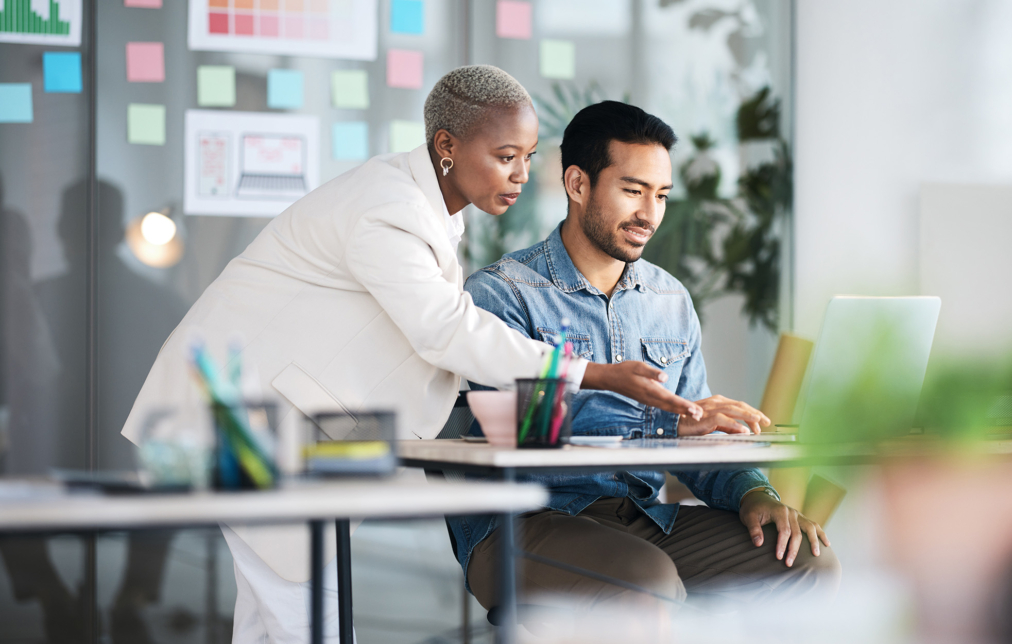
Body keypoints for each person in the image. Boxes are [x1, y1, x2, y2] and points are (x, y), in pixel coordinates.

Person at [121, 67, 703, 642]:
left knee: (272, 622)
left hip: (265, 423)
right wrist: (598, 374)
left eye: (527, 156)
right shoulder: (388, 208)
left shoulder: (424, 211)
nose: (522, 174)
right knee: (310, 623)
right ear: (447, 146)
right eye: (505, 156)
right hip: (236, 423)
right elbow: (444, 330)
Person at [451, 101, 841, 619]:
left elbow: (697, 432)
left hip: (644, 518)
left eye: (660, 195)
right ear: (577, 184)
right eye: (633, 191)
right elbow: (526, 436)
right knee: (646, 581)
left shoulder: (669, 300)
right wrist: (667, 426)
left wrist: (754, 493)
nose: (649, 214)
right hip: (524, 521)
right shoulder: (503, 295)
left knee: (806, 564)